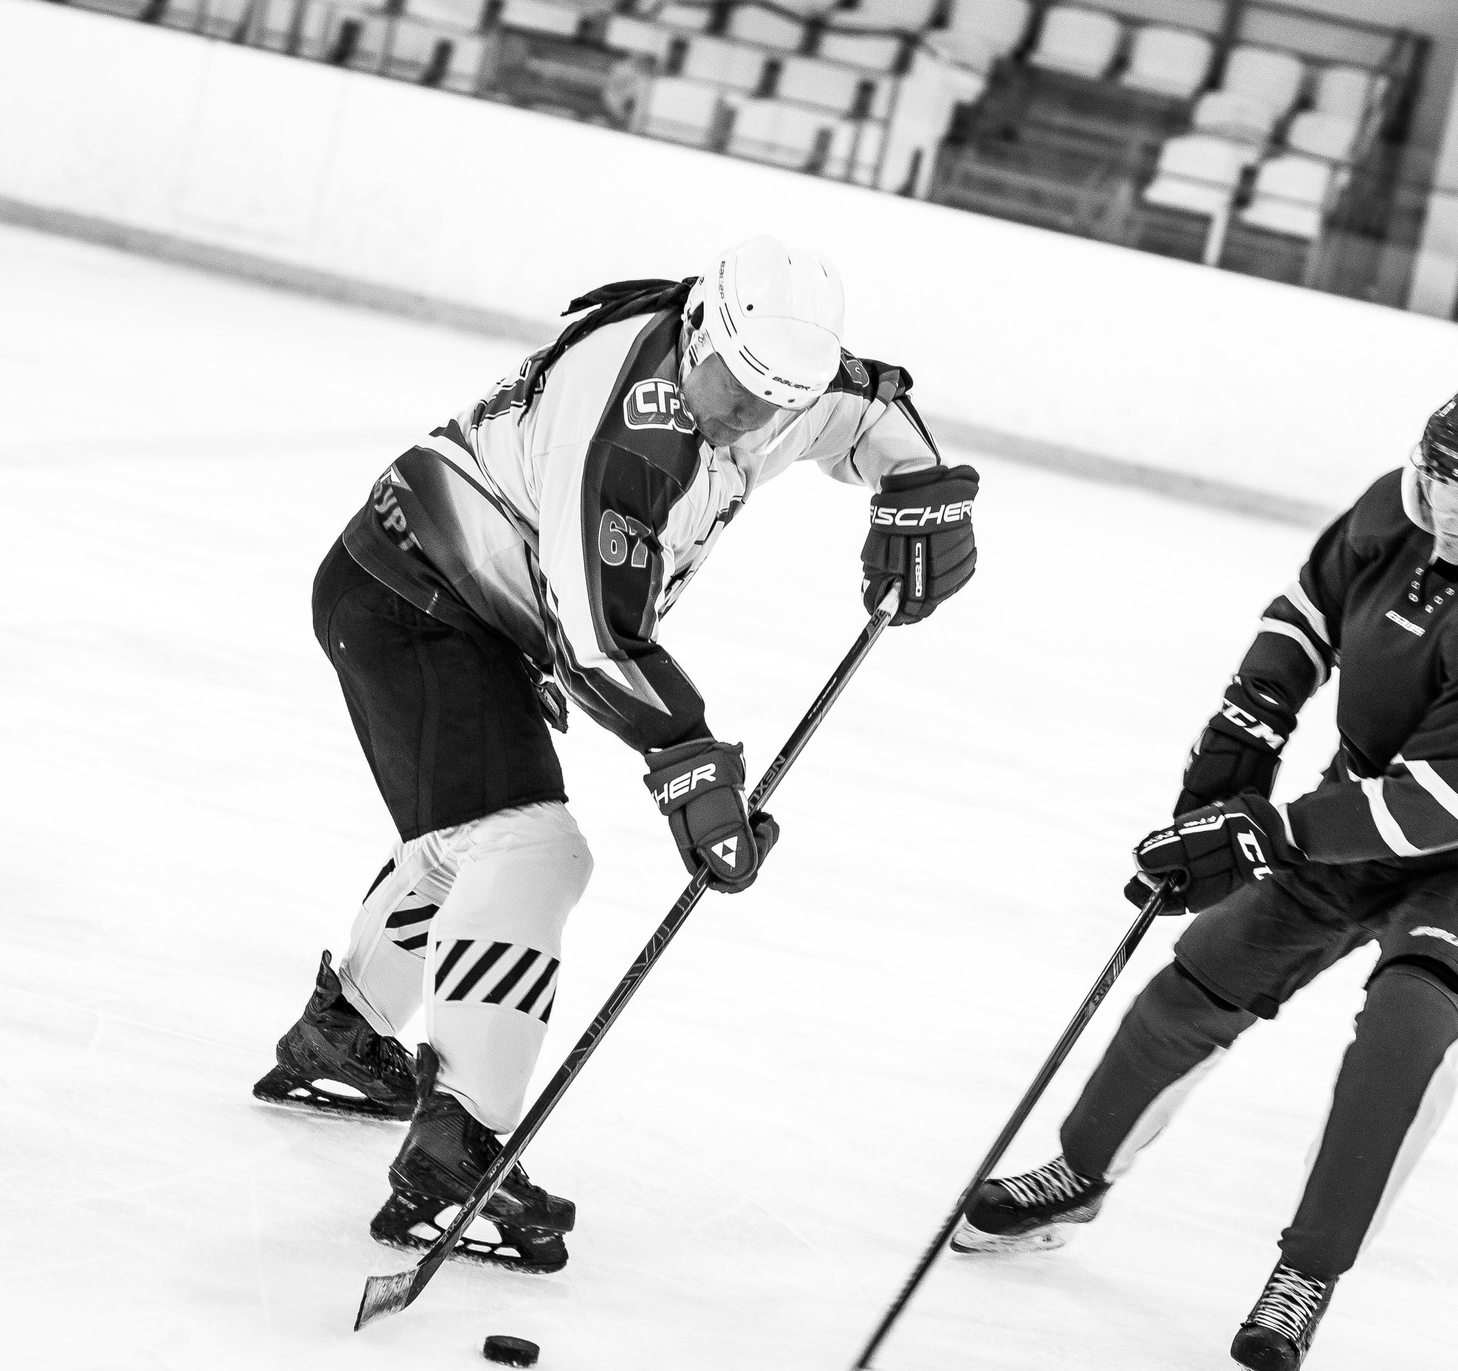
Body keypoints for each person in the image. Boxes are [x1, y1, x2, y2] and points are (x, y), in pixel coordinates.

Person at [253, 236, 979, 1271]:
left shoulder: (765, 371)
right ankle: (456, 1154)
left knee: (466, 838)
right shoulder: (629, 436)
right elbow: (596, 640)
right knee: (530, 852)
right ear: (699, 334)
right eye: (732, 389)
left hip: (442, 598)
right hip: (410, 599)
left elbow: (865, 408)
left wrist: (926, 489)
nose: (746, 419)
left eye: (775, 403)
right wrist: (691, 763)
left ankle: (344, 1038)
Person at [954, 368, 1458, 1371]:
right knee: (1203, 973)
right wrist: (1248, 722)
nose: (1445, 505)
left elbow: (1432, 812)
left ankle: (1306, 1274)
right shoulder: (1397, 511)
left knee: (1407, 1027)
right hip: (1359, 811)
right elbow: (1308, 612)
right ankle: (1079, 1174)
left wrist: (1266, 833)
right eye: (1438, 477)